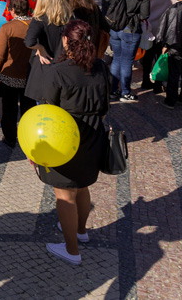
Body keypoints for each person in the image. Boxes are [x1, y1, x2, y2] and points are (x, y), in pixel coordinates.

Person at [36, 19, 110, 266]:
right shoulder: (100, 67)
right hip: (93, 136)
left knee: (64, 194)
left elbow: (47, 111)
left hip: (65, 137)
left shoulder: (58, 71)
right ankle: (81, 231)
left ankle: (72, 250)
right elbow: (104, 107)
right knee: (82, 186)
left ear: (66, 40)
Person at [0, 0, 34, 146]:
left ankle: (9, 138)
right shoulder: (35, 24)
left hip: (10, 75)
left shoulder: (7, 28)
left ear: (13, 10)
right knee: (28, 108)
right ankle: (28, 136)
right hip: (30, 74)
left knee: (8, 109)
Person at [106, 0, 151, 102]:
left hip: (115, 27)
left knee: (117, 59)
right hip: (130, 29)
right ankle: (125, 92)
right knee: (126, 62)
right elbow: (145, 15)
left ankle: (113, 90)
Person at [139, 0, 175, 92]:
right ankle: (158, 83)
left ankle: (145, 80)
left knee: (148, 55)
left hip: (149, 27)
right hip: (165, 28)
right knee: (161, 56)